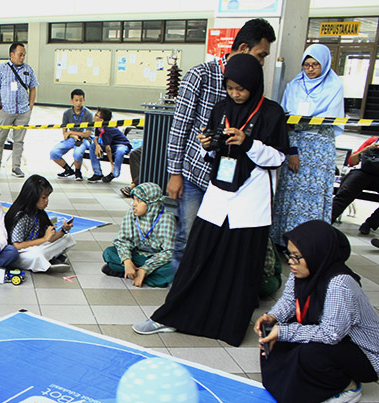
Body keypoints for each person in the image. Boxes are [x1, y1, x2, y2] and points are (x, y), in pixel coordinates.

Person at [133, 53, 289, 346]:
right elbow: (214, 148)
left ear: (254, 85)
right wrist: (208, 145)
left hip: (251, 200)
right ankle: (171, 316)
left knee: (239, 266)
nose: (235, 94)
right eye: (230, 88)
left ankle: (227, 325)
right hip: (218, 194)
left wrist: (249, 143)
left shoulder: (272, 113)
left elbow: (278, 156)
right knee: (197, 256)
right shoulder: (220, 108)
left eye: (240, 88)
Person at [166, 18, 276, 273]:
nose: (262, 63)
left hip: (233, 182)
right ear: (244, 47)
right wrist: (175, 173)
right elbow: (179, 128)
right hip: (196, 175)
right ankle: (178, 293)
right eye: (261, 55)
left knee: (220, 242)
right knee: (188, 236)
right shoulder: (201, 75)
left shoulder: (254, 82)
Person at [257, 221, 379, 403]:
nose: (290, 263)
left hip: (368, 355)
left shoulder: (340, 284)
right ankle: (306, 384)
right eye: (289, 255)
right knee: (273, 336)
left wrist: (284, 331)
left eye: (297, 257)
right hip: (339, 339)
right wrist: (271, 317)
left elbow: (331, 334)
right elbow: (289, 301)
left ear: (316, 254)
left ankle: (348, 385)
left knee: (308, 353)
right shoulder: (305, 271)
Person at [271, 44, 345, 246]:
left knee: (314, 196)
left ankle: (310, 244)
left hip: (320, 149)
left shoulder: (334, 86)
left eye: (315, 65)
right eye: (306, 65)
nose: (310, 69)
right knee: (290, 195)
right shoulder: (294, 85)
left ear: (325, 65)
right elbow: (286, 120)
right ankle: (284, 240)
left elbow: (330, 120)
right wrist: (292, 150)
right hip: (296, 145)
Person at [331, 108, 379, 235]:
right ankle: (327, 221)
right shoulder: (373, 140)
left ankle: (370, 223)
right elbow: (352, 161)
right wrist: (366, 149)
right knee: (346, 190)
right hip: (365, 172)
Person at [101, 182, 176, 287]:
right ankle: (141, 274)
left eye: (139, 201)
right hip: (137, 255)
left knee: (174, 267)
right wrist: (127, 260)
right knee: (109, 252)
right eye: (134, 200)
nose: (134, 204)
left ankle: (132, 273)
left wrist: (145, 269)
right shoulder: (132, 214)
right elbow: (122, 240)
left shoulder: (166, 219)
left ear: (151, 204)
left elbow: (169, 251)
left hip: (157, 259)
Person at [4, 174, 75, 272]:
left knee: (67, 238)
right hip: (21, 252)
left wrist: (63, 230)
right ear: (32, 197)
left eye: (47, 197)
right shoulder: (22, 216)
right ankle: (47, 260)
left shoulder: (39, 213)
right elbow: (17, 246)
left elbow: (50, 238)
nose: (47, 200)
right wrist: (44, 239)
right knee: (37, 254)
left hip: (37, 245)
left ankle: (48, 258)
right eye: (43, 197)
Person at [0, 42, 39, 178]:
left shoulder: (28, 69)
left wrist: (30, 106)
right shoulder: (1, 69)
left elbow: (33, 87)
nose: (22, 57)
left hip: (23, 111)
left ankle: (16, 166)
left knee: (19, 140)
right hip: (6, 110)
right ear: (12, 55)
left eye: (24, 55)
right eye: (20, 54)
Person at [50, 89, 93, 181]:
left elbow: (87, 134)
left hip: (84, 139)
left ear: (84, 100)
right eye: (76, 100)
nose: (78, 103)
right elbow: (65, 134)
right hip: (71, 138)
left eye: (81, 100)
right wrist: (72, 135)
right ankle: (68, 169)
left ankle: (78, 172)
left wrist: (71, 133)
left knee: (77, 153)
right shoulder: (67, 113)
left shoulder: (88, 114)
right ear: (71, 100)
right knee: (54, 152)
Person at [88, 108, 131, 183]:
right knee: (92, 147)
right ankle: (97, 173)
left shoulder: (107, 129)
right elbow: (96, 138)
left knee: (120, 152)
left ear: (101, 119)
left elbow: (108, 149)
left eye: (96, 115)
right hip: (111, 145)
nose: (94, 116)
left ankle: (114, 173)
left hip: (122, 144)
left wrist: (112, 164)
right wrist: (97, 146)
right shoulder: (98, 126)